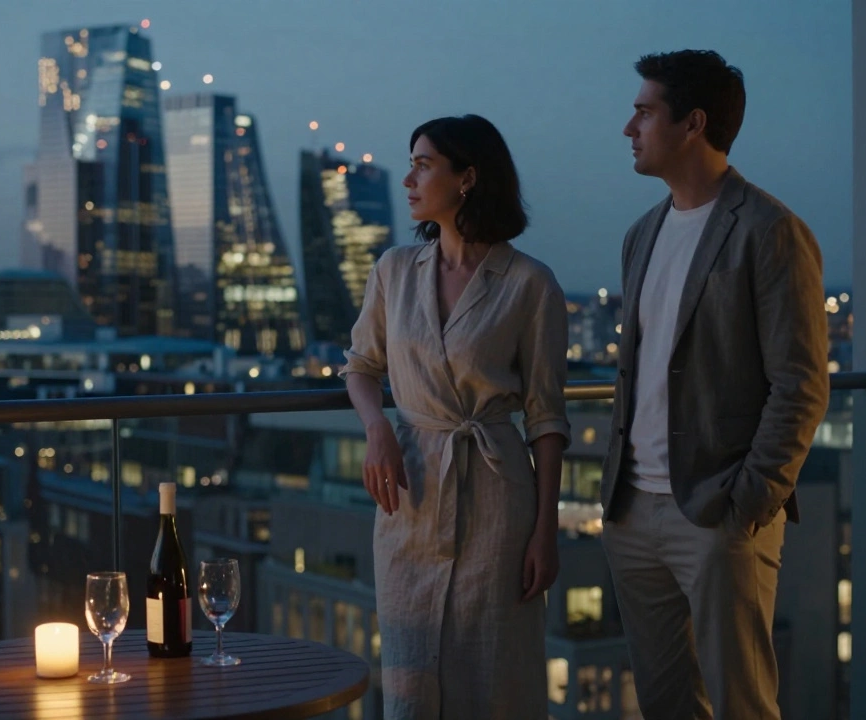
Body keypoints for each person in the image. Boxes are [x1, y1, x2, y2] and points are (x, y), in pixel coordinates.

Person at [600, 50, 830, 719]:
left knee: (741, 703)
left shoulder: (770, 230)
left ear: (692, 123)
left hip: (719, 511)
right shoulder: (641, 234)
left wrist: (751, 498)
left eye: (643, 111)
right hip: (631, 511)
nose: (628, 127)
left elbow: (801, 383)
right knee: (667, 703)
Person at [340, 114, 570, 719]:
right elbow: (360, 366)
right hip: (411, 492)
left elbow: (547, 418)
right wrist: (378, 429)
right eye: (410, 162)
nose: (409, 177)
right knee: (412, 684)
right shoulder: (394, 270)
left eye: (424, 164)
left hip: (499, 501)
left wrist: (545, 529)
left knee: (495, 678)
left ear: (467, 178)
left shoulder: (529, 284)